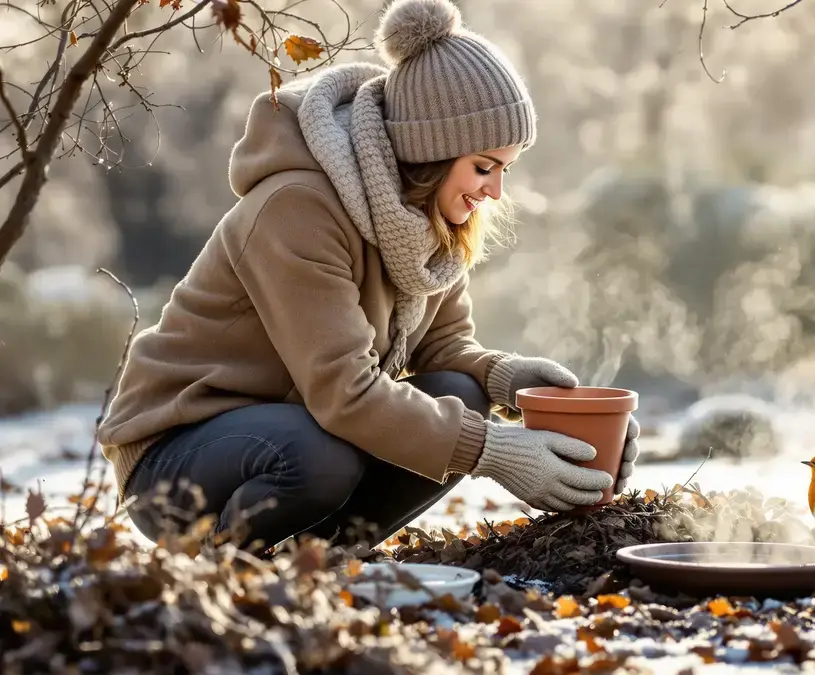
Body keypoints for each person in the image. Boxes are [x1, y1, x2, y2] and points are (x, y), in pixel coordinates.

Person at [96, 0, 640, 557]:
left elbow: (443, 349)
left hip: (300, 427)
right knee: (319, 457)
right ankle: (222, 574)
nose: (495, 191)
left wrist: (512, 384)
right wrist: (492, 452)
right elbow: (345, 391)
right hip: (178, 454)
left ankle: (318, 562)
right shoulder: (297, 206)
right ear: (431, 149)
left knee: (462, 394)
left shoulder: (427, 219)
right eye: (483, 167)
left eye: (506, 169)